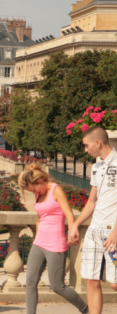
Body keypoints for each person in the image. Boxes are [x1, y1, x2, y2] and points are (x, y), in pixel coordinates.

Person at [18, 164, 88, 314]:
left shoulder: (57, 190)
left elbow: (69, 214)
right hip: (39, 244)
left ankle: (86, 309)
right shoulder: (39, 193)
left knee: (57, 286)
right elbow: (39, 218)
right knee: (30, 282)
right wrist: (36, 239)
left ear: (41, 181)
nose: (33, 192)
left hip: (55, 244)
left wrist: (71, 231)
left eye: (33, 189)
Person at [68, 126, 117, 314]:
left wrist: (115, 232)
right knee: (91, 280)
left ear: (98, 142)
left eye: (86, 145)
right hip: (94, 231)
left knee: (114, 284)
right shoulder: (96, 167)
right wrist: (75, 224)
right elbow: (91, 202)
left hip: (112, 232)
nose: (85, 150)